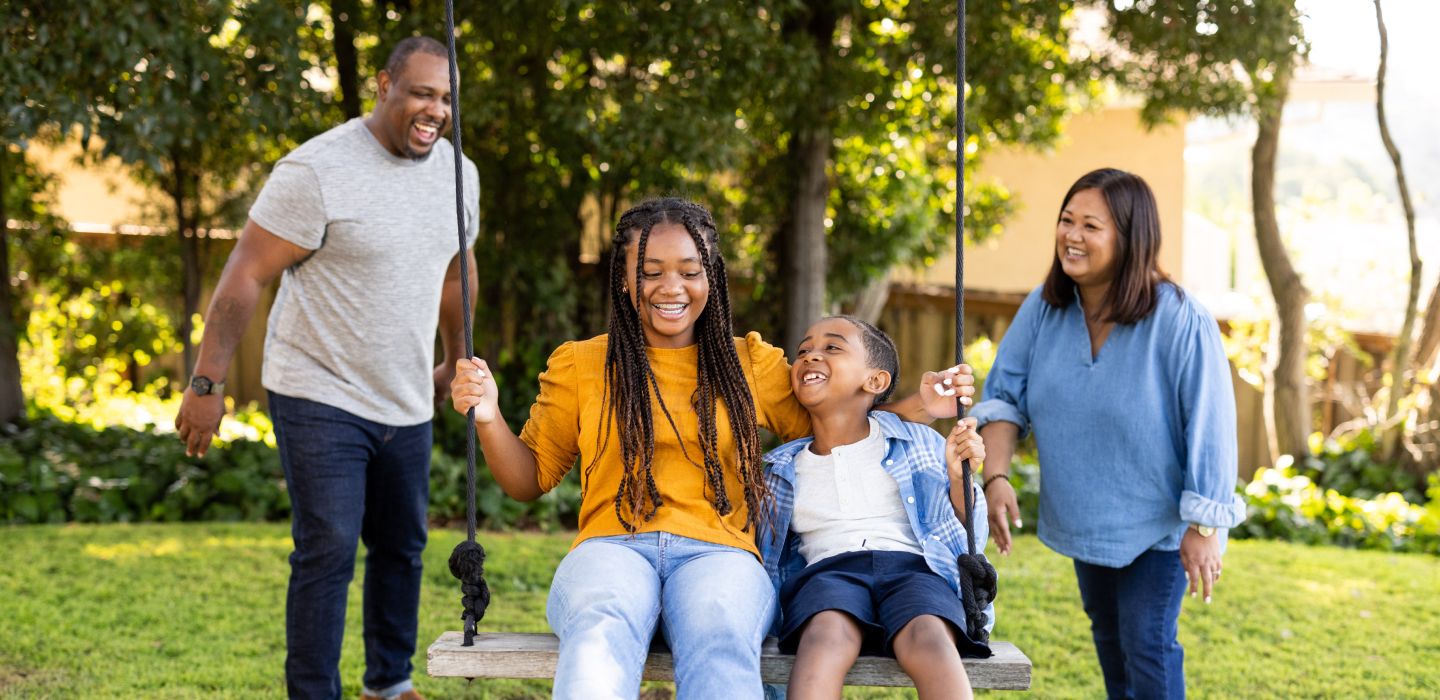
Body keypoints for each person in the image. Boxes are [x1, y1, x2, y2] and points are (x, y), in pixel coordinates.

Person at [448, 197, 972, 700]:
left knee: (720, 632)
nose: (670, 287)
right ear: (624, 281)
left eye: (689, 270)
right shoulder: (582, 364)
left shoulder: (749, 363)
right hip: (611, 547)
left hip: (720, 554)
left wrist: (919, 408)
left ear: (711, 276)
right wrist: (490, 418)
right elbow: (528, 479)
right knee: (598, 631)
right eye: (650, 271)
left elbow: (840, 425)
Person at [173, 36, 479, 700]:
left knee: (402, 548)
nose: (436, 110)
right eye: (422, 92)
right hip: (317, 387)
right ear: (384, 84)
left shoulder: (459, 174)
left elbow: (457, 273)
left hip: (404, 396)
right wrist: (206, 383)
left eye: (447, 97)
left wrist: (456, 361)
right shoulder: (318, 171)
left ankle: (389, 687)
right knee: (330, 546)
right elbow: (244, 276)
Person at [973, 168, 1244, 699]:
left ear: (1129, 238)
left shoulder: (1179, 318)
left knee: (1146, 644)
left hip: (1157, 524)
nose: (1072, 235)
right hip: (1087, 515)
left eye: (1090, 225)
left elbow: (1211, 423)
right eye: (1066, 220)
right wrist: (996, 476)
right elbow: (1004, 397)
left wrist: (1205, 526)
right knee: (1111, 641)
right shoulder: (1045, 308)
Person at [755, 316, 992, 700]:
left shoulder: (914, 440)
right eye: (803, 351)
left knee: (928, 636)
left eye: (832, 348)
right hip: (828, 575)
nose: (811, 356)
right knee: (825, 637)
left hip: (914, 570)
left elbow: (967, 530)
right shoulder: (782, 469)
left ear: (875, 381)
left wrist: (955, 477)